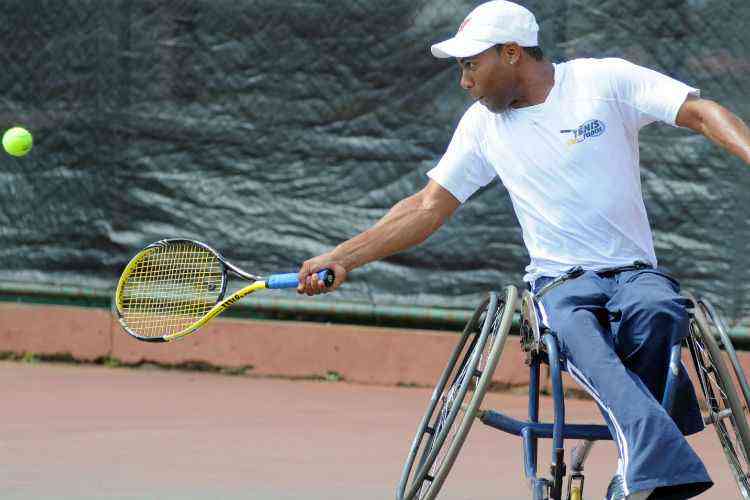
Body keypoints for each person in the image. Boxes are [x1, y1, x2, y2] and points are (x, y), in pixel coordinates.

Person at [296, 1, 750, 498]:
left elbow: (701, 113)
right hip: (559, 284)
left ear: (511, 53)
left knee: (658, 309)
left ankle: (643, 462)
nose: (464, 80)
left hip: (634, 271)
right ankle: (652, 466)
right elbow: (427, 207)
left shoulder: (604, 81)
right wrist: (344, 255)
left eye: (471, 64)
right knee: (577, 335)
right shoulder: (481, 126)